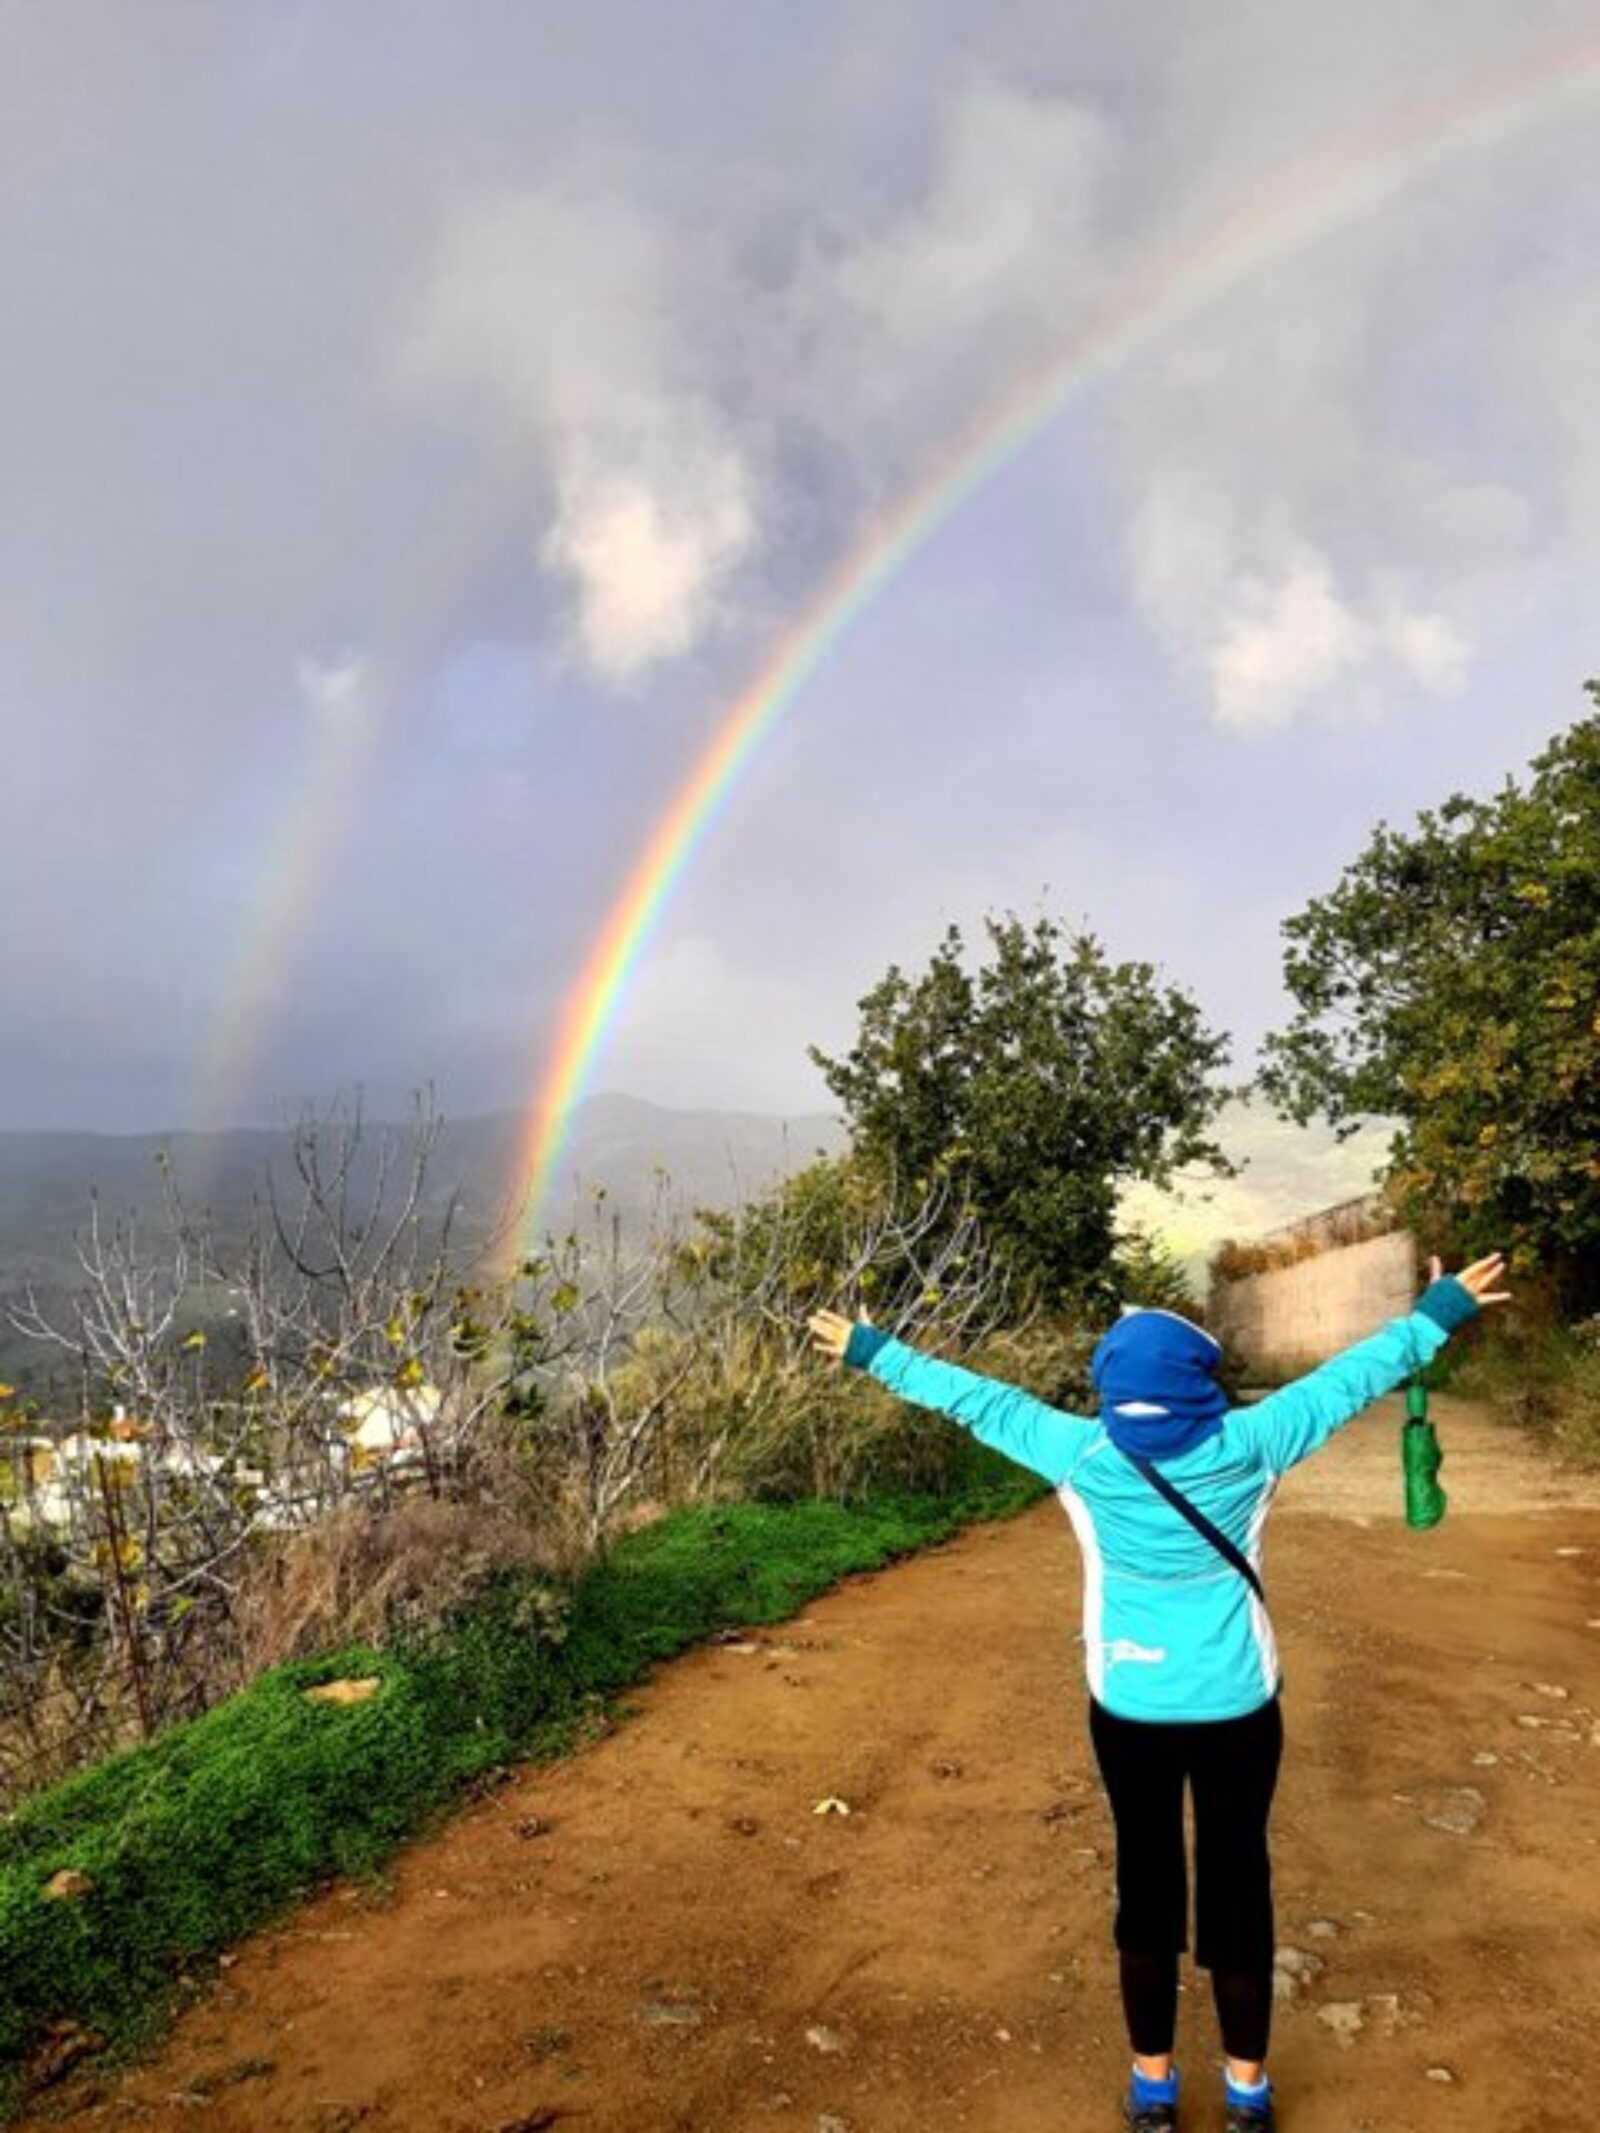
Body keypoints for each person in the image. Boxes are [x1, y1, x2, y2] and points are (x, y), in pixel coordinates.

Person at [808, 1250, 1509, 2132]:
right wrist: (1440, 1309)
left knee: (1146, 1888)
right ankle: (1248, 2094)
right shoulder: (1255, 1442)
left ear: (1111, 1386)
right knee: (1237, 1882)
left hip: (1128, 1708)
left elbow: (972, 1397)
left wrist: (873, 1349)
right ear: (1200, 1382)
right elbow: (1352, 1377)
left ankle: (1153, 2090)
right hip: (1239, 1709)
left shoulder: (1077, 1452)